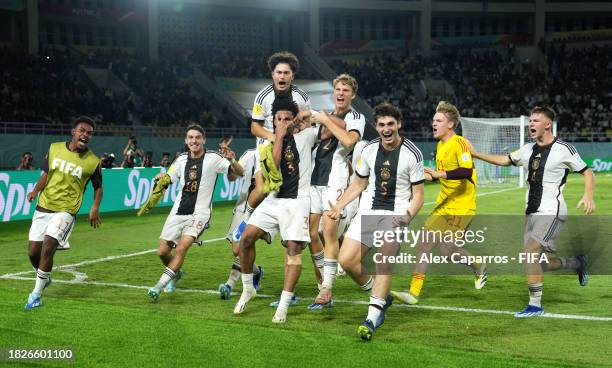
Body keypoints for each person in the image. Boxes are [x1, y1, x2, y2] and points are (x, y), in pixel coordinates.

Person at [470, 106, 595, 318]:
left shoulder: (564, 149)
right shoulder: (527, 149)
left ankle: (535, 305)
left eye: (536, 121)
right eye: (530, 121)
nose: (531, 125)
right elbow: (504, 160)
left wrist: (588, 196)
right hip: (531, 213)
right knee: (538, 262)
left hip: (552, 211)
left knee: (530, 253)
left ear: (548, 124)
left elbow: (587, 171)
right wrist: (475, 154)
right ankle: (576, 262)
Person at [232, 97, 339, 323]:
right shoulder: (267, 143)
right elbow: (276, 165)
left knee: (293, 249)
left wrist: (307, 115)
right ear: (273, 120)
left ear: (294, 119)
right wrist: (279, 135)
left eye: (288, 118)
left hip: (298, 202)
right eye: (279, 119)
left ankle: (283, 305)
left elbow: (340, 127)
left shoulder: (308, 136)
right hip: (273, 200)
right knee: (246, 239)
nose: (283, 122)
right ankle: (248, 288)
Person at [328, 102, 425, 341]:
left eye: (390, 124)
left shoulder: (413, 153)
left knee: (384, 261)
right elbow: (358, 184)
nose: (386, 129)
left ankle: (372, 317)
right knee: (347, 260)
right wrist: (340, 205)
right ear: (377, 126)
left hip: (396, 214)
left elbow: (419, 195)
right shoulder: (369, 150)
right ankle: (380, 296)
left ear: (399, 124)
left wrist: (407, 216)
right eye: (381, 124)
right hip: (368, 211)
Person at [391, 101, 487, 306]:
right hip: (444, 204)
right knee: (424, 245)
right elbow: (440, 174)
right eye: (433, 120)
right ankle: (413, 293)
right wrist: (427, 174)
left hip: (462, 206)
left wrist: (437, 174)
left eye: (438, 120)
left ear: (450, 124)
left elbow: (466, 171)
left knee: (447, 252)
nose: (433, 123)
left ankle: (477, 264)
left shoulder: (459, 143)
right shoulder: (440, 145)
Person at [146, 124, 243, 301]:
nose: (194, 141)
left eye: (198, 137)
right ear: (186, 141)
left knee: (182, 248)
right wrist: (162, 178)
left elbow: (238, 174)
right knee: (162, 252)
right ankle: (175, 273)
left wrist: (232, 161)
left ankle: (158, 286)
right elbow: (170, 177)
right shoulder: (181, 159)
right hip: (178, 210)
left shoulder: (214, 158)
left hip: (200, 213)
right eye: (190, 137)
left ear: (203, 140)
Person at [24, 116, 103, 310]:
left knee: (49, 246)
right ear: (73, 132)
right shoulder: (54, 148)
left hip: (67, 211)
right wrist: (35, 191)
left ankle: (35, 295)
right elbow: (46, 174)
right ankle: (45, 276)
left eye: (90, 133)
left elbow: (98, 188)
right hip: (44, 206)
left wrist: (94, 207)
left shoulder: (93, 161)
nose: (85, 135)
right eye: (82, 131)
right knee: (33, 252)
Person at [232, 51, 311, 241]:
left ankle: (270, 230)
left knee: (286, 190)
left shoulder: (301, 97)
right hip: (267, 144)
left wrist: (297, 133)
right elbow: (254, 127)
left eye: (286, 73)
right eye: (278, 72)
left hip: (293, 146)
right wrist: (274, 136)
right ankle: (245, 220)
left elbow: (308, 122)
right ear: (273, 74)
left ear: (292, 75)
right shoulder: (262, 96)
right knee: (262, 189)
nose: (282, 76)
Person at [308, 74, 366, 309]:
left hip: (336, 178)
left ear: (353, 95)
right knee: (311, 233)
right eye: (338, 89)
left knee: (329, 229)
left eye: (346, 90)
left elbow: (349, 141)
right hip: (314, 179)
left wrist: (324, 119)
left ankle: (327, 288)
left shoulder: (356, 117)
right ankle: (323, 281)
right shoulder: (323, 116)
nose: (340, 93)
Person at [218, 146, 264, 299]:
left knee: (244, 244)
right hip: (243, 208)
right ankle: (257, 271)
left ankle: (229, 284)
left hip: (262, 210)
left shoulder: (278, 153)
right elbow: (234, 176)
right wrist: (231, 160)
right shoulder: (250, 154)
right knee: (237, 249)